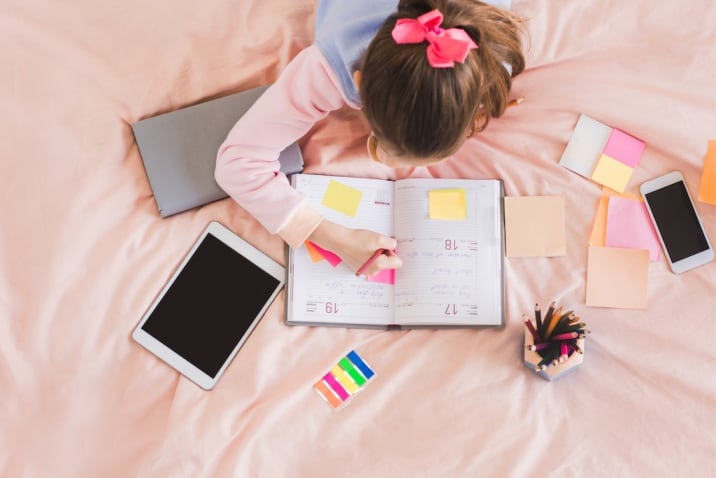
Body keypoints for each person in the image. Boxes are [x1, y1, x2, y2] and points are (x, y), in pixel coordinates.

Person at [215, 0, 525, 276]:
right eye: (378, 147)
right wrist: (331, 236)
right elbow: (237, 162)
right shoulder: (331, 65)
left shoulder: (494, 56)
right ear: (358, 83)